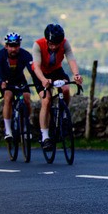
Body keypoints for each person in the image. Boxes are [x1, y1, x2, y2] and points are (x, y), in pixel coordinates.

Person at [31, 23, 83, 151]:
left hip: (56, 70)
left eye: (57, 44)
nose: (54, 47)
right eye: (51, 44)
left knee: (66, 88)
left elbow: (71, 59)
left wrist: (76, 75)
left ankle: (63, 115)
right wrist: (43, 80)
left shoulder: (64, 43)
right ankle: (45, 137)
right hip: (40, 73)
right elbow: (36, 66)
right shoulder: (38, 45)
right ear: (47, 40)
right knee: (46, 100)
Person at [0, 33, 39, 142]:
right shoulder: (0, 55)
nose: (13, 49)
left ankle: (26, 125)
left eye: (16, 46)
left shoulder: (25, 54)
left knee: (26, 98)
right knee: (8, 97)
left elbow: (32, 71)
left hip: (20, 80)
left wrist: (38, 83)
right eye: (11, 46)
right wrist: (1, 82)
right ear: (6, 46)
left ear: (19, 45)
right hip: (5, 81)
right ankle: (8, 130)